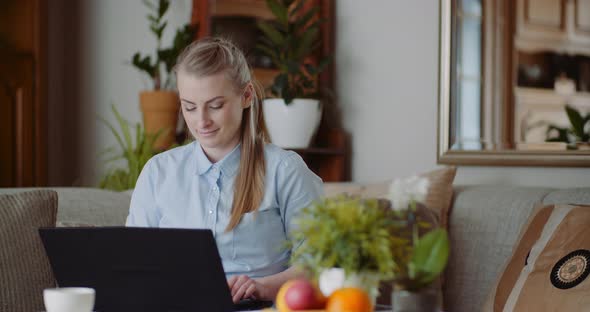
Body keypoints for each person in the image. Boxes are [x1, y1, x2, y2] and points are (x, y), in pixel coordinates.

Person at [126, 37, 323, 303]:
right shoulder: (158, 172)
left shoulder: (284, 170)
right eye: (189, 107)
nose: (201, 121)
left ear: (246, 96)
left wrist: (262, 287)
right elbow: (133, 263)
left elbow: (318, 264)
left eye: (216, 105)